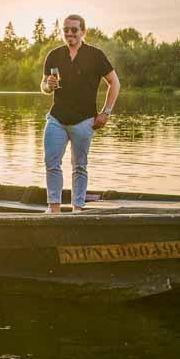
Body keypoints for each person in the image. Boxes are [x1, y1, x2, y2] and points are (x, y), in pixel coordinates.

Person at [40, 14, 119, 213]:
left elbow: (114, 83)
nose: (69, 33)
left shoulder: (95, 55)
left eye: (74, 30)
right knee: (52, 163)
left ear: (83, 32)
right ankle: (54, 208)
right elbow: (44, 85)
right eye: (66, 30)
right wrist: (47, 86)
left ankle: (78, 208)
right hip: (57, 119)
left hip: (84, 121)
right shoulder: (54, 55)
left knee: (79, 167)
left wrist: (106, 112)